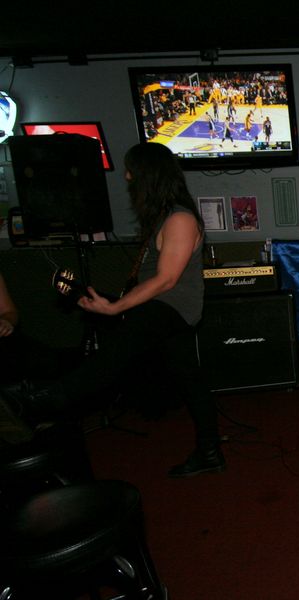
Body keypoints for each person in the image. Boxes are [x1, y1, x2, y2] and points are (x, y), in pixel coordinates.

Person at [0, 143, 224, 477]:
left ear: (149, 174)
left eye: (132, 171)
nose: (128, 177)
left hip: (169, 307)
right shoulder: (164, 216)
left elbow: (166, 279)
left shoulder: (180, 218)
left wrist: (117, 306)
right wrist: (109, 301)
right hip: (162, 307)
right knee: (191, 381)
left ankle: (38, 400)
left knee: (113, 354)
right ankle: (210, 453)